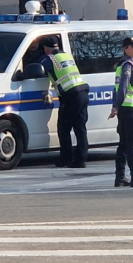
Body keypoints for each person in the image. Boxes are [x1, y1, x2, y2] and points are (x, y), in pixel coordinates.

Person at [39, 36, 90, 168]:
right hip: (83, 92)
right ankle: (80, 159)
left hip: (70, 96)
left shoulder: (49, 58)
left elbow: (37, 68)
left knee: (64, 128)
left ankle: (65, 159)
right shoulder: (66, 56)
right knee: (80, 128)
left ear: (46, 48)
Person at [108, 36, 133, 188]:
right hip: (130, 110)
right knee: (132, 144)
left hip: (124, 110)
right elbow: (123, 88)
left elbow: (116, 89)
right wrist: (116, 107)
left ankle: (120, 177)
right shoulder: (127, 65)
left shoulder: (121, 65)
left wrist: (115, 107)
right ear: (126, 48)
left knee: (123, 144)